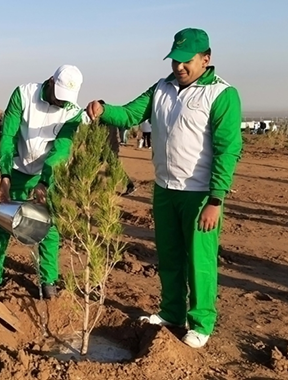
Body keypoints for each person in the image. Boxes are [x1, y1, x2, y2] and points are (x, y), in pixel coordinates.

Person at [86, 28, 242, 348]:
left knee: (199, 259)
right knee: (170, 256)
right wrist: (104, 108)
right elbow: (129, 113)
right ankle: (172, 312)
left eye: (186, 61)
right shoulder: (161, 88)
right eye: (174, 60)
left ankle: (201, 321)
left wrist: (216, 198)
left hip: (200, 195)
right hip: (164, 189)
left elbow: (228, 150)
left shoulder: (222, 95)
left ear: (206, 59)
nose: (179, 67)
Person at [0, 65, 87, 299]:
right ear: (50, 82)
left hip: (45, 174)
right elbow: (8, 136)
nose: (61, 103)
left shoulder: (73, 112)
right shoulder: (24, 94)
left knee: (49, 227)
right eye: (59, 97)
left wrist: (45, 183)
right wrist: (5, 176)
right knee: (2, 223)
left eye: (66, 100)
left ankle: (48, 281)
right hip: (17, 169)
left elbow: (60, 151)